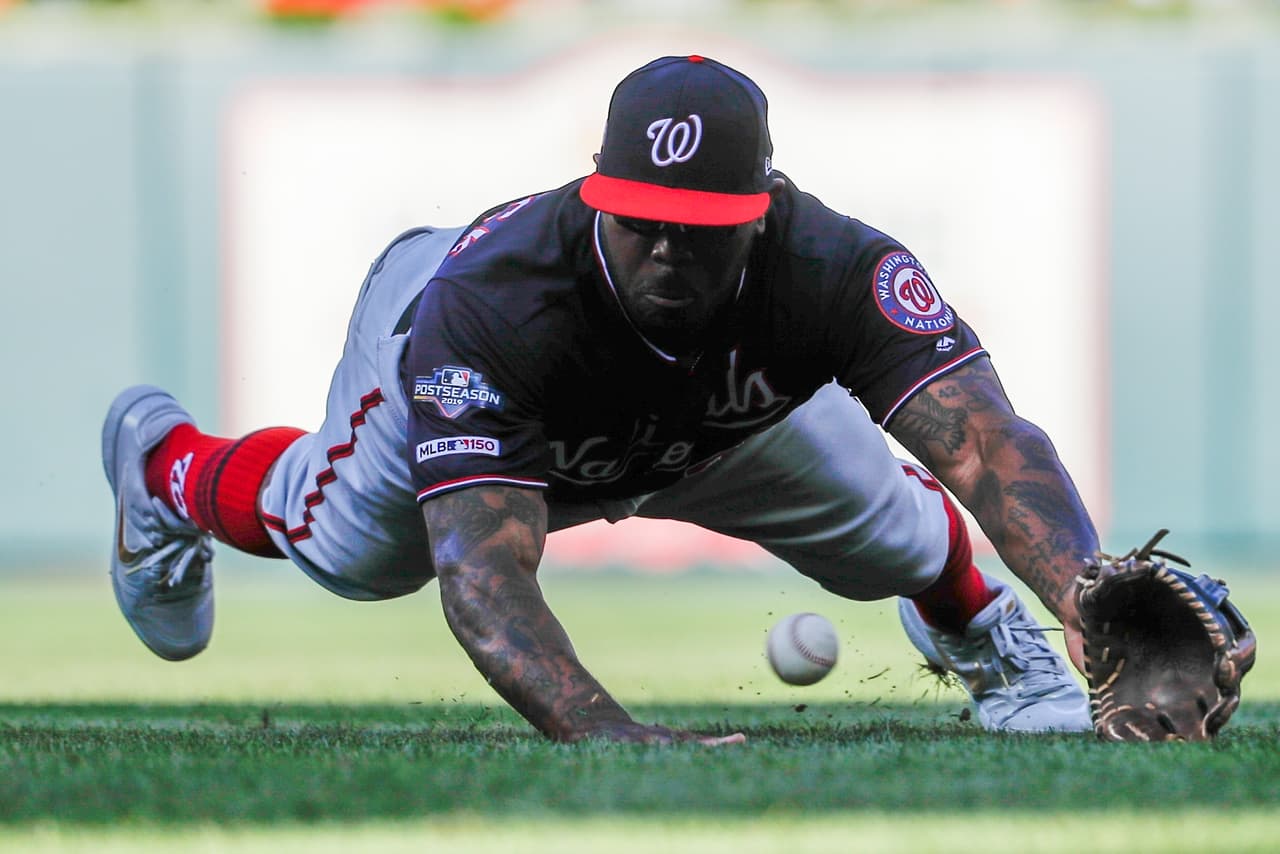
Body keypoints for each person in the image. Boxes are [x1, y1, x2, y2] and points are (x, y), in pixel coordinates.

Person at [104, 54, 1099, 743]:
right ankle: (165, 466)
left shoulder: (830, 264)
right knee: (352, 554)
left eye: (701, 226)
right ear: (596, 193)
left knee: (903, 539)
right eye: (641, 220)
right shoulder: (491, 304)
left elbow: (978, 439)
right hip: (483, 396)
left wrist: (1086, 593)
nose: (667, 248)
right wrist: (607, 728)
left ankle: (980, 633)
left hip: (712, 427)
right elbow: (484, 580)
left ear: (762, 209)